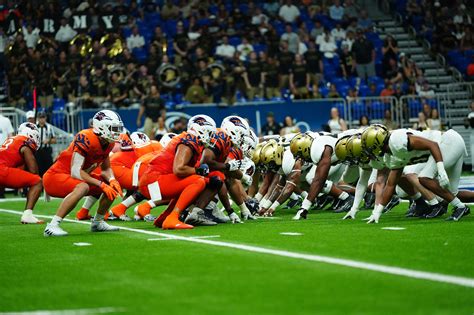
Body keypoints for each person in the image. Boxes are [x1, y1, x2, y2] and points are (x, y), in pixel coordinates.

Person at [43, 110, 124, 236]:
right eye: (113, 128)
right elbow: (75, 171)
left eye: (117, 128)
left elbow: (106, 169)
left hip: (75, 176)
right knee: (83, 187)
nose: (116, 132)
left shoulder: (109, 143)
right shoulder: (86, 137)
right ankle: (52, 225)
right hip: (55, 176)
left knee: (111, 184)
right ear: (101, 126)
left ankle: (98, 222)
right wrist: (100, 184)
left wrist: (112, 180)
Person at [138, 115, 217, 229]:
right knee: (198, 181)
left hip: (153, 181)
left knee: (190, 182)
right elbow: (179, 169)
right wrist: (199, 171)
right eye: (209, 133)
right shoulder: (189, 140)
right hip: (153, 182)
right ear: (200, 130)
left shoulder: (190, 139)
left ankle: (164, 218)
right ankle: (173, 218)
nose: (211, 138)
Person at [0, 123, 43, 223]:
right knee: (37, 181)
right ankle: (27, 215)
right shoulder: (25, 142)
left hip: (3, 168)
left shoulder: (13, 139)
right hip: (2, 170)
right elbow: (34, 171)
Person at [35, 111, 56, 176]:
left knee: (49, 170)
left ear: (46, 118)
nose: (42, 119)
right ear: (38, 118)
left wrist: (48, 141)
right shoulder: (34, 127)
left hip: (47, 151)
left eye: (43, 117)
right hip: (37, 151)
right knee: (38, 169)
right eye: (40, 117)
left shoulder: (49, 127)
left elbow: (54, 140)